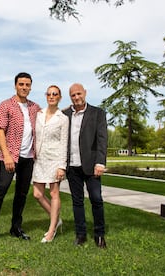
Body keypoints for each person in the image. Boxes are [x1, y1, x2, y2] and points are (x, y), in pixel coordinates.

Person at [0, 72, 41, 246]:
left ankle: (16, 227)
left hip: (28, 157)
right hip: (10, 156)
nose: (24, 87)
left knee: (21, 194)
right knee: (1, 190)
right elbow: (0, 131)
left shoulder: (35, 107)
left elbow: (49, 116)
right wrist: (6, 155)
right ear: (15, 85)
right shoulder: (5, 105)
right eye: (21, 84)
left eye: (27, 84)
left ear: (31, 87)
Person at [62, 83, 108, 248]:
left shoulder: (98, 113)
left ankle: (99, 235)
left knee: (96, 199)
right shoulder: (65, 114)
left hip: (91, 166)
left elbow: (102, 140)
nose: (76, 97)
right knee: (77, 202)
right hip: (72, 166)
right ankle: (80, 235)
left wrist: (100, 162)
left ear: (85, 93)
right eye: (73, 95)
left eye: (79, 94)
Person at [32, 85, 69, 243]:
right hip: (39, 160)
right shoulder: (38, 114)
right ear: (46, 96)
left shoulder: (63, 118)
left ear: (60, 97)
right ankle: (57, 218)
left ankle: (51, 230)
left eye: (55, 94)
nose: (52, 96)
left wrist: (62, 166)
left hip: (55, 160)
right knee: (37, 194)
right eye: (49, 94)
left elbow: (64, 143)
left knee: (54, 194)